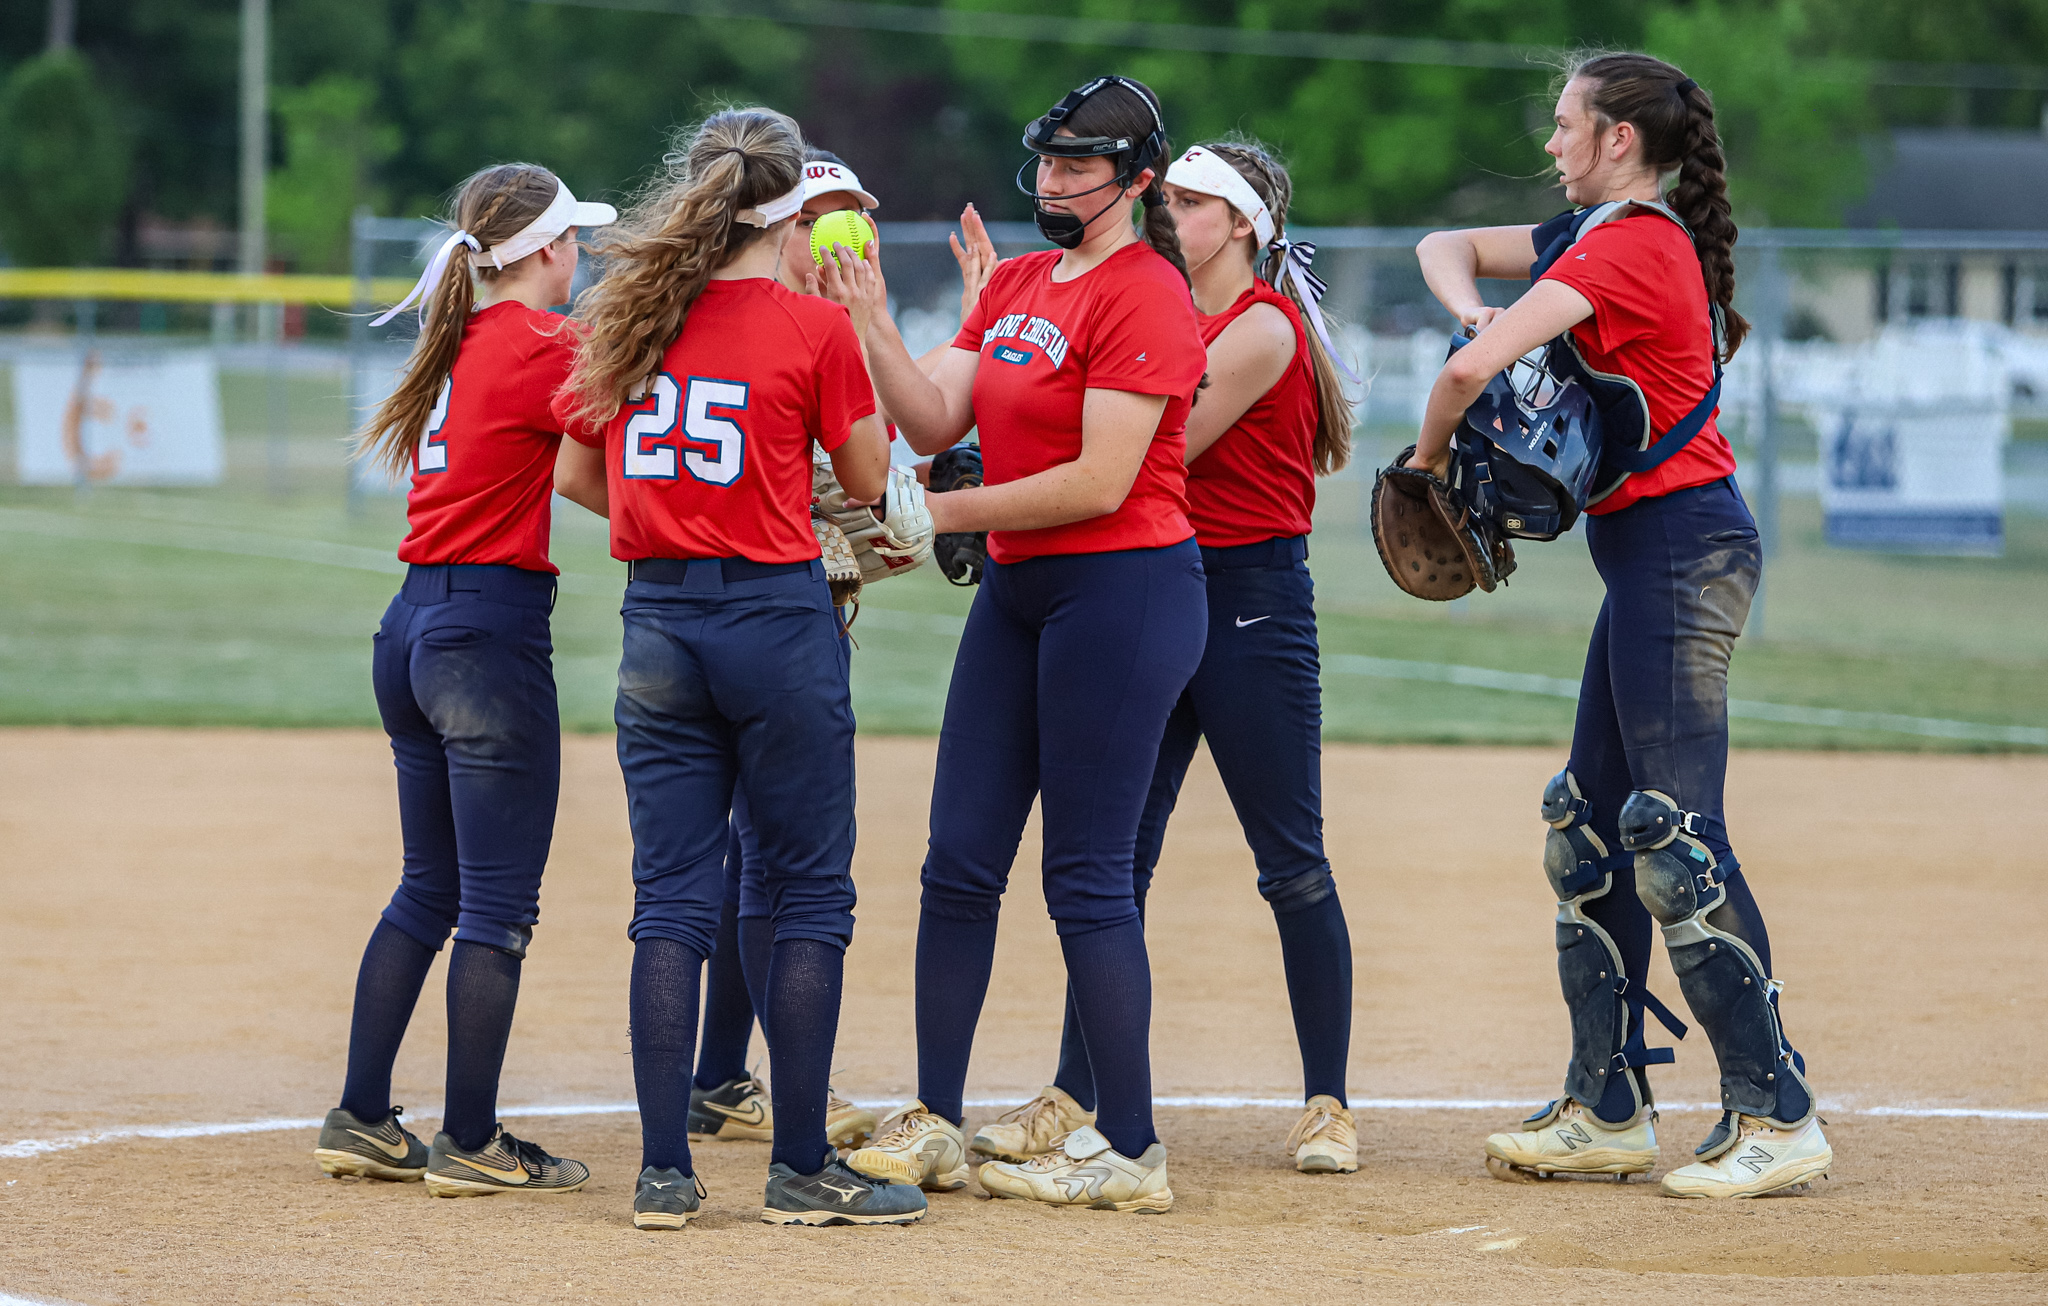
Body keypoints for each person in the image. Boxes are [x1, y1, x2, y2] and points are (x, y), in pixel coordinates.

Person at [1410, 53, 1829, 1199]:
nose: (1550, 145)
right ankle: (1605, 1106)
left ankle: (1775, 1108)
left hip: (1684, 554)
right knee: (1586, 825)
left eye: (1565, 127)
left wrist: (1425, 462)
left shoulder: (1631, 245)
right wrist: (1469, 308)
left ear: (1619, 143)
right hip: (1646, 558)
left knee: (1675, 835)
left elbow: (1468, 377)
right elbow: (1439, 254)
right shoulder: (1593, 236)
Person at [818, 75, 1207, 1214]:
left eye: (1078, 166)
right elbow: (937, 421)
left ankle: (1130, 1145)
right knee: (957, 861)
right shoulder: (1026, 281)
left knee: (1084, 878)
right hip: (1022, 592)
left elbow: (1098, 480)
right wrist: (874, 320)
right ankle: (935, 1119)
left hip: (1125, 590)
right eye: (1043, 161)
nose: (1049, 182)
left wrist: (924, 514)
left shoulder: (1146, 294)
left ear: (1136, 182)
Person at [550, 107, 929, 1230]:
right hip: (775, 615)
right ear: (791, 215)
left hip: (658, 620)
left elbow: (576, 470)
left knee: (668, 902)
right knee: (806, 893)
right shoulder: (805, 325)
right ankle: (802, 1167)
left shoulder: (624, 309)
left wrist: (673, 518)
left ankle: (664, 1171)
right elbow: (867, 481)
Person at [967, 138, 1366, 1177]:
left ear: (1239, 224)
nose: (1166, 215)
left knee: (1289, 859)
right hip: (1146, 589)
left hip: (1246, 602)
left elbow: (1148, 448)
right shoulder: (1143, 306)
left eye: (1188, 203)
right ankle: (1074, 1090)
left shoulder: (1259, 327)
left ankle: (1326, 1099)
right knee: (1110, 862)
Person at [311, 163, 614, 1198]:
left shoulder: (459, 340)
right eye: (574, 242)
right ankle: (473, 1139)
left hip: (410, 624)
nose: (581, 260)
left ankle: (360, 1113)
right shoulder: (539, 340)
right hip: (485, 634)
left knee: (429, 886)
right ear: (538, 251)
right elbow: (639, 428)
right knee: (496, 903)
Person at [681, 147, 898, 1154]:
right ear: (778, 225)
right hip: (766, 627)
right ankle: (779, 1100)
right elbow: (855, 502)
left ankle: (723, 1075)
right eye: (824, 215)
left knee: (747, 854)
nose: (843, 233)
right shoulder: (781, 330)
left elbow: (870, 516)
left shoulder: (830, 329)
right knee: (779, 866)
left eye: (854, 214)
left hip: (768, 620)